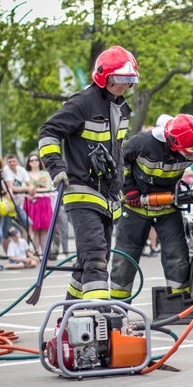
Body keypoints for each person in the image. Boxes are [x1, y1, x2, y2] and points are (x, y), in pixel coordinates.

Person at [39, 45, 138, 301]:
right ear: (103, 77)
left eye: (128, 80)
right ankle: (100, 314)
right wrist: (56, 167)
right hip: (81, 191)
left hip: (107, 194)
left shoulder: (120, 107)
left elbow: (116, 151)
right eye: (117, 79)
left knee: (90, 260)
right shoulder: (83, 103)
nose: (122, 85)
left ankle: (70, 315)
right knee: (95, 255)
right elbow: (48, 132)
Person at [110, 114, 193, 299]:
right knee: (125, 258)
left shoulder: (192, 144)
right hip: (135, 206)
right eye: (190, 150)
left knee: (177, 256)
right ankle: (119, 305)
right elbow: (118, 162)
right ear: (172, 143)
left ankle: (179, 301)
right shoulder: (143, 143)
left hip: (168, 206)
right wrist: (129, 190)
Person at [24, 154, 54, 254]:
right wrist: (33, 189)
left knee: (44, 230)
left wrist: (34, 189)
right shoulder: (26, 174)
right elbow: (25, 188)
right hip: (32, 202)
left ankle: (45, 254)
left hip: (43, 202)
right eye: (31, 160)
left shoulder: (45, 174)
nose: (34, 162)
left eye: (36, 160)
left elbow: (48, 187)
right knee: (35, 230)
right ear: (28, 163)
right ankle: (37, 253)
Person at [2, 154, 34, 245]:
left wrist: (31, 188)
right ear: (7, 163)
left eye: (13, 161)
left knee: (28, 224)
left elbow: (30, 184)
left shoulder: (21, 170)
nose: (12, 163)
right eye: (10, 162)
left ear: (17, 161)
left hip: (17, 204)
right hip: (7, 205)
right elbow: (11, 187)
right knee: (6, 233)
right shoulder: (6, 171)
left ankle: (25, 249)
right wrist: (28, 189)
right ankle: (10, 255)